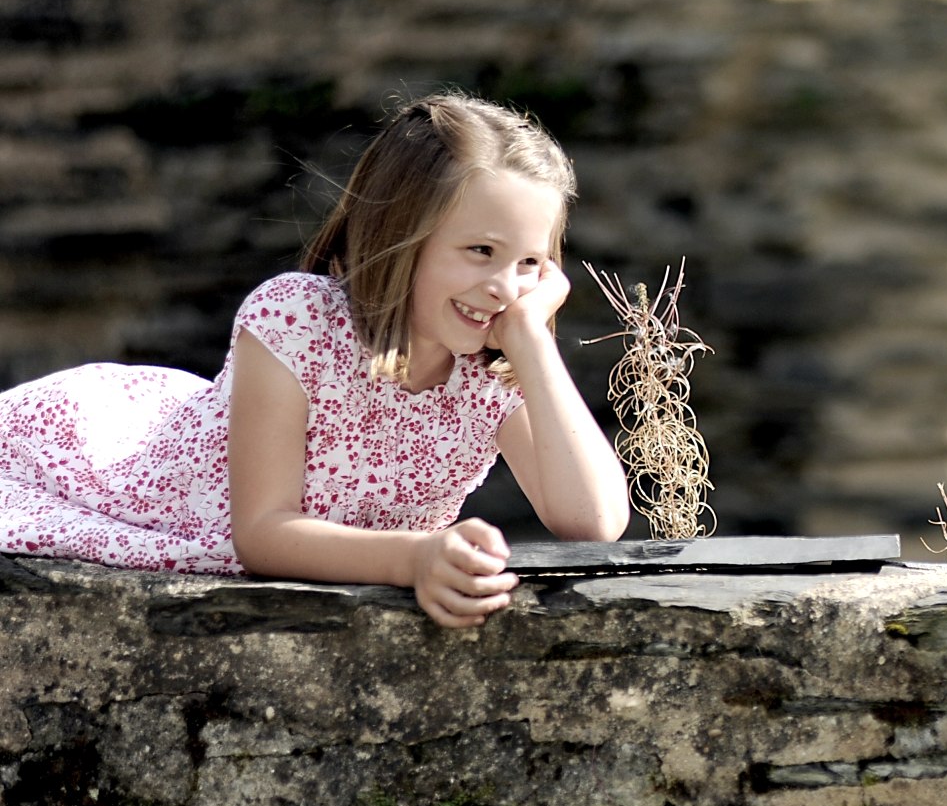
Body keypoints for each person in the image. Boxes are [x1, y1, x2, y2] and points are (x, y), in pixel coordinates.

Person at [0, 93, 630, 628]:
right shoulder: (298, 320)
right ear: (399, 235)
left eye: (529, 263)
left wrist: (532, 341)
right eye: (480, 251)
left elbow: (594, 521)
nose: (504, 287)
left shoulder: (492, 370)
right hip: (113, 466)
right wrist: (415, 558)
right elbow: (264, 533)